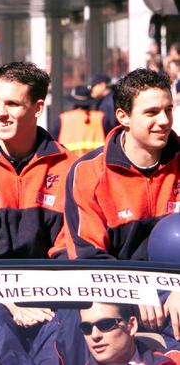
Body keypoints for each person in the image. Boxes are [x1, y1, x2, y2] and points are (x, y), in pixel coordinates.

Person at [0, 61, 78, 364]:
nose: (0, 113)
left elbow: (67, 250)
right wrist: (12, 304)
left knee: (74, 316)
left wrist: (44, 299)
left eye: (12, 104)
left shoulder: (69, 165)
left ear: (37, 107)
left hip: (52, 294)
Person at [64, 68, 180, 342]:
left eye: (168, 109)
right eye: (151, 112)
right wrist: (137, 290)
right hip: (114, 296)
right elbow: (88, 258)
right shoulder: (88, 173)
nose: (164, 121)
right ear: (123, 116)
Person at [79, 302, 174, 365]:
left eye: (105, 324)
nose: (95, 335)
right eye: (86, 327)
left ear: (131, 325)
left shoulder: (173, 360)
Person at [51, 85, 106, 157]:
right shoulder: (101, 118)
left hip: (69, 163)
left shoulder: (63, 119)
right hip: (95, 163)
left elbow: (53, 143)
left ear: (74, 102)